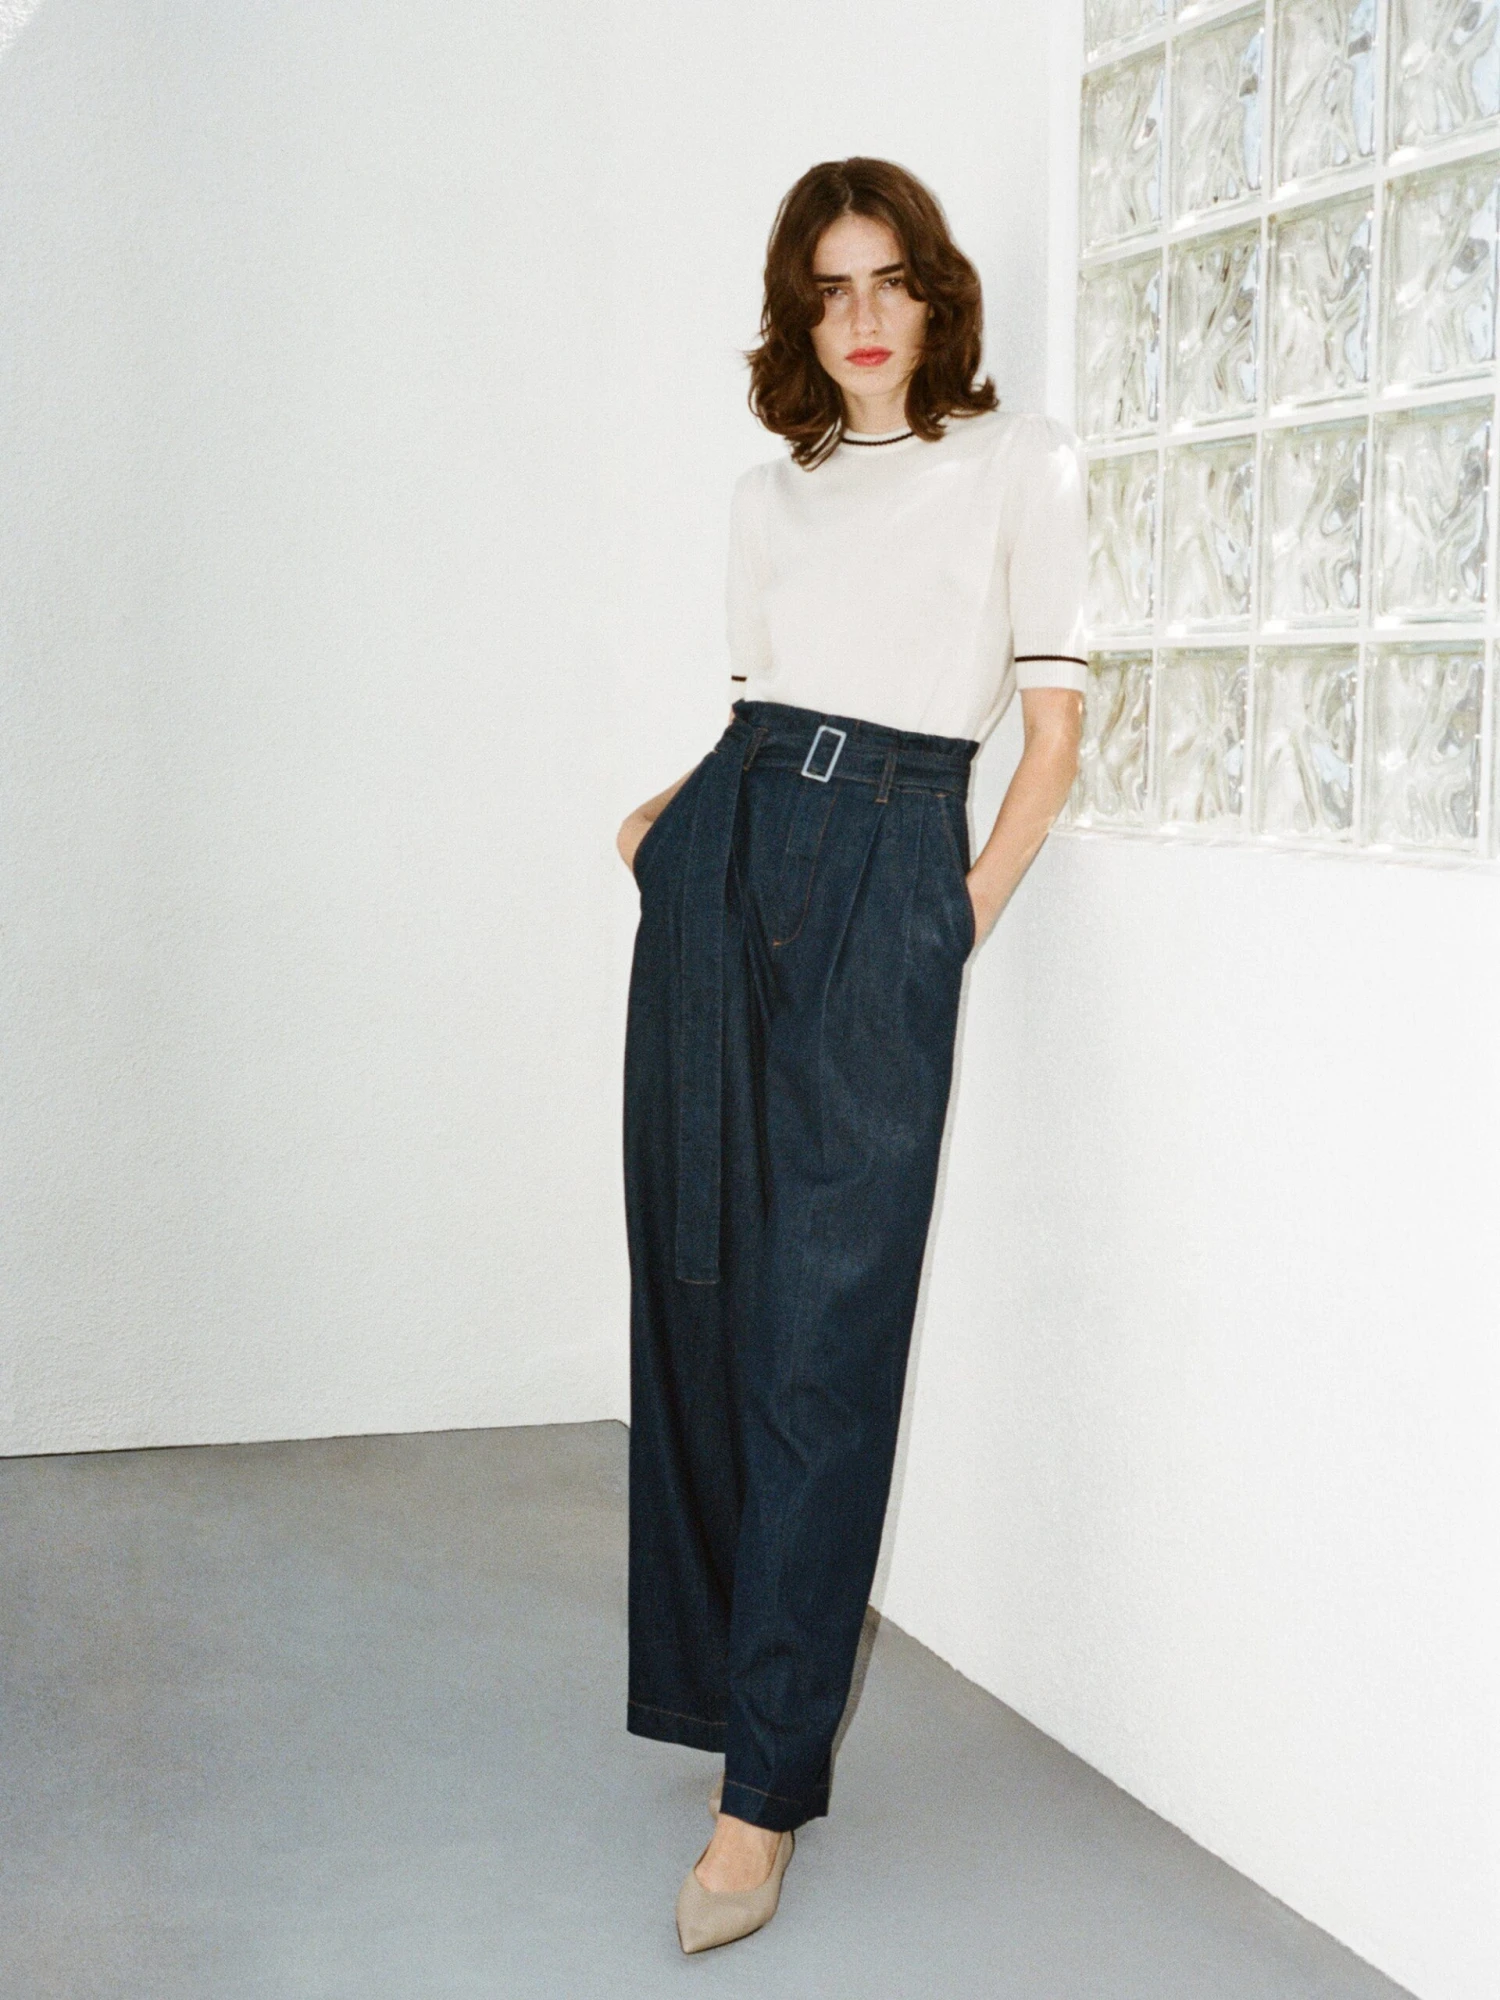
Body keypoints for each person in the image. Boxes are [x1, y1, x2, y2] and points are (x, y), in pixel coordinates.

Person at [615, 156, 1087, 1955]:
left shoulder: (1018, 462)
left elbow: (1051, 736)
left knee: (825, 1338)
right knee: (703, 1292)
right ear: (800, 315)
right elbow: (757, 711)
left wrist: (950, 920)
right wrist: (668, 824)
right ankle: (727, 1700)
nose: (866, 316)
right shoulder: (770, 496)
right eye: (832, 289)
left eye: (890, 280)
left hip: (894, 859)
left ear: (934, 295)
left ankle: (762, 1801)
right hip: (734, 851)